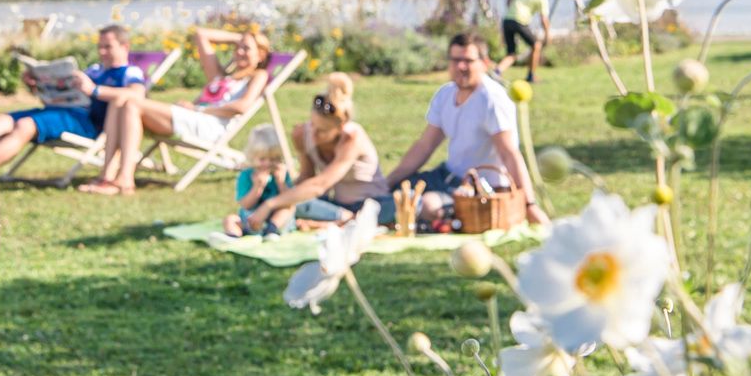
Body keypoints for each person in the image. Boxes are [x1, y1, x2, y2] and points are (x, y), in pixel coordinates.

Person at [78, 25, 272, 196]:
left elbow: (241, 107)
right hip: (193, 118)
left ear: (261, 54)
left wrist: (198, 109)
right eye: (237, 47)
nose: (239, 52)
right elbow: (201, 34)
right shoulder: (220, 76)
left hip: (210, 125)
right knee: (121, 100)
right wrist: (242, 36)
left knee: (131, 101)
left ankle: (124, 179)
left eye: (246, 48)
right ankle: (107, 175)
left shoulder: (257, 75)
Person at [385, 33, 548, 228]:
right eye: (455, 60)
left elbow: (509, 153)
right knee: (398, 192)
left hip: (481, 189)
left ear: (484, 63)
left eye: (468, 61)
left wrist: (529, 204)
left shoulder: (491, 100)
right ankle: (355, 214)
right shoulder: (445, 94)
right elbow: (424, 146)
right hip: (447, 176)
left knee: (426, 205)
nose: (460, 66)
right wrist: (389, 181)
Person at [0, 24, 146, 170]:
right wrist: (36, 84)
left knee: (25, 125)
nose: (102, 52)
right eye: (100, 47)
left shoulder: (129, 72)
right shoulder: (94, 70)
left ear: (125, 47)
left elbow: (137, 95)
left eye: (108, 47)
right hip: (59, 112)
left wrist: (94, 90)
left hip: (87, 123)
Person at [245, 72, 396, 230]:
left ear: (340, 127)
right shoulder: (303, 134)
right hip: (337, 206)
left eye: (323, 130)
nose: (314, 133)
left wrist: (271, 204)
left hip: (374, 204)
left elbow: (320, 184)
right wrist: (277, 186)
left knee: (282, 203)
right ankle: (338, 222)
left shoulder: (352, 138)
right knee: (293, 203)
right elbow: (307, 178)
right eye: (312, 124)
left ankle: (333, 223)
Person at [222, 124, 295, 237]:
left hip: (275, 219)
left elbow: (289, 201)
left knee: (285, 210)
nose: (268, 163)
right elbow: (245, 205)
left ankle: (271, 231)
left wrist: (281, 183)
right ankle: (233, 236)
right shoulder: (246, 175)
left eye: (274, 159)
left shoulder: (283, 173)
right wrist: (257, 187)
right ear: (252, 157)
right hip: (251, 219)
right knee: (230, 219)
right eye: (262, 159)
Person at [496, 0, 555, 82]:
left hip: (507, 19)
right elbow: (544, 19)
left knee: (511, 53)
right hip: (519, 21)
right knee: (536, 45)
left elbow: (509, 0)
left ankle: (497, 72)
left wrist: (513, 11)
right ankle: (531, 76)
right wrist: (548, 35)